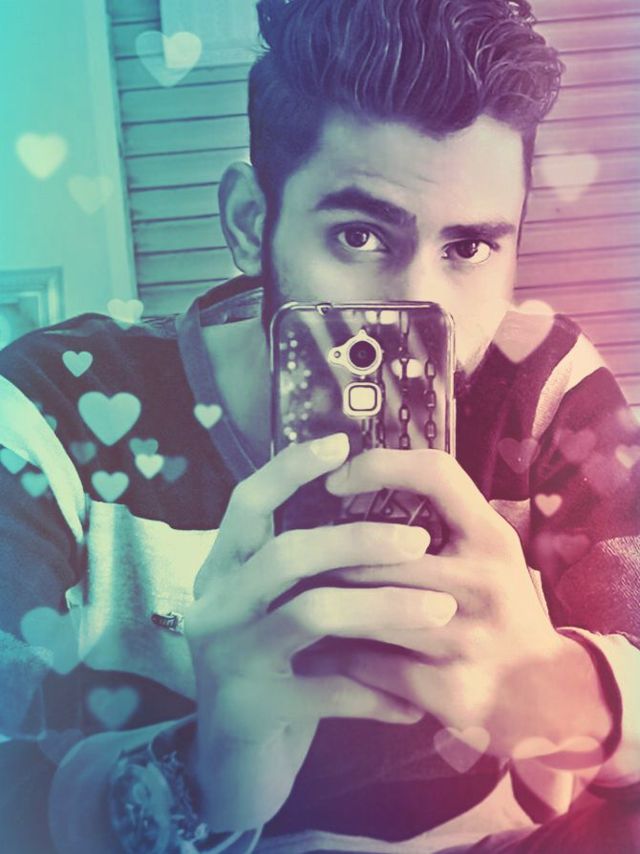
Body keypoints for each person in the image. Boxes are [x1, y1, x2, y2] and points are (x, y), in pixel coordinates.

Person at [1, 0, 639, 851]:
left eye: (470, 248)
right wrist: (200, 773)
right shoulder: (52, 412)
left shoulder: (544, 386)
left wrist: (560, 687)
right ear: (249, 222)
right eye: (359, 235)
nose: (422, 305)